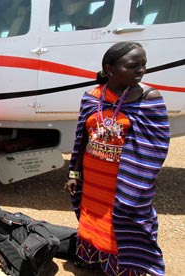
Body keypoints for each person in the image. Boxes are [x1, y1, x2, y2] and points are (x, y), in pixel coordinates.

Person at [64, 42, 170, 276]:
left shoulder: (148, 98)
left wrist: (136, 183)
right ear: (110, 68)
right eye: (133, 66)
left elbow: (156, 146)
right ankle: (95, 261)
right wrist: (74, 173)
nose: (141, 71)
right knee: (93, 220)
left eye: (143, 65)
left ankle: (126, 268)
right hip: (94, 181)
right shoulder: (93, 97)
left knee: (125, 223)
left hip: (126, 182)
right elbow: (82, 139)